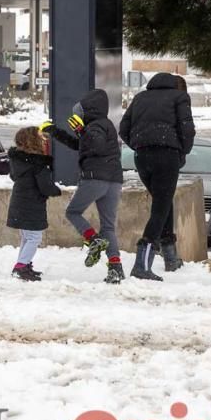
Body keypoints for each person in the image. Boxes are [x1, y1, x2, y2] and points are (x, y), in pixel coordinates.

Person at [41, 89, 126, 284]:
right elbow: (79, 145)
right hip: (113, 181)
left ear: (88, 111)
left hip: (95, 178)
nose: (77, 117)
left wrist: (81, 131)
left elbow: (94, 145)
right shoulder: (103, 125)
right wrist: (55, 131)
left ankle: (93, 239)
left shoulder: (96, 126)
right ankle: (115, 267)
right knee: (108, 226)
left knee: (73, 212)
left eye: (79, 113)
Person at [119, 72, 196, 281]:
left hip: (142, 156)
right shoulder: (179, 97)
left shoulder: (140, 98)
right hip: (166, 155)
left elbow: (123, 128)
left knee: (163, 202)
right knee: (160, 209)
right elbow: (187, 129)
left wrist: (138, 144)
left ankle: (170, 257)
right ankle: (141, 265)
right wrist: (182, 152)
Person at [6, 126, 62, 281]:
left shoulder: (18, 161)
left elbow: (14, 177)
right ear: (34, 141)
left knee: (26, 237)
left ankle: (24, 264)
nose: (44, 139)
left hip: (20, 202)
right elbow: (45, 186)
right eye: (41, 137)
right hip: (31, 204)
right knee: (34, 237)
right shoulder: (38, 164)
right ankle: (21, 267)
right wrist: (56, 191)